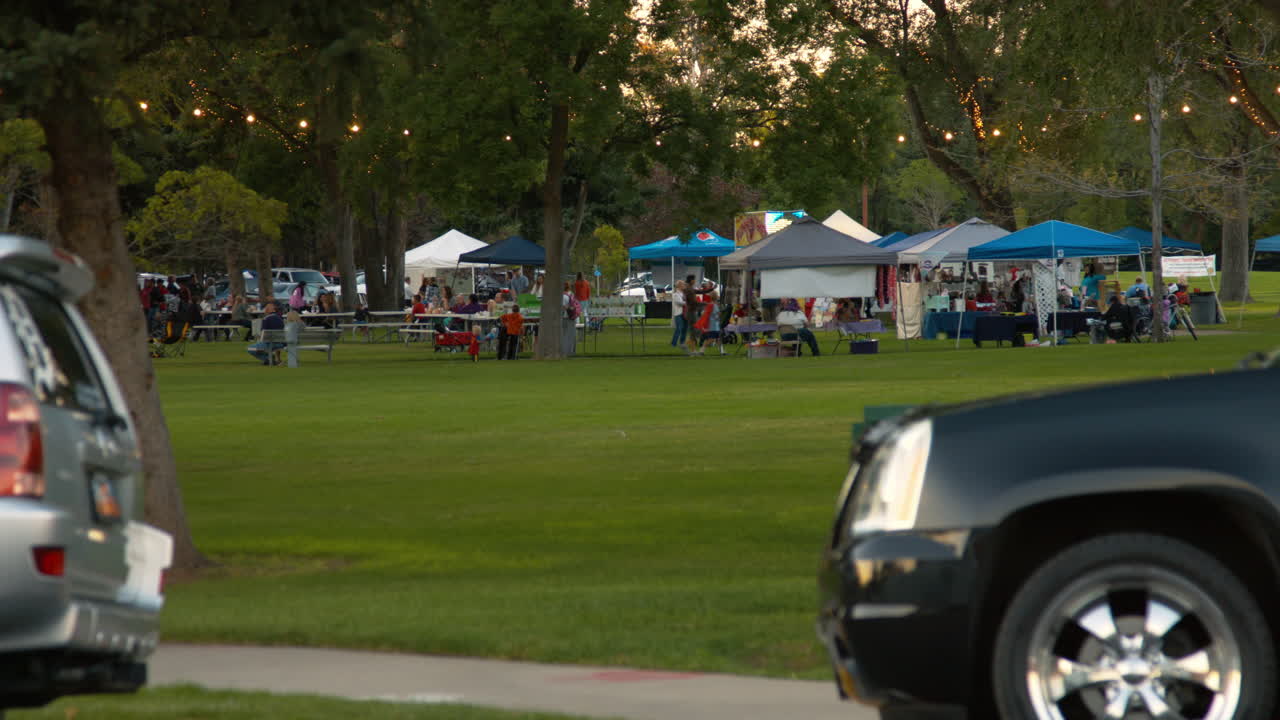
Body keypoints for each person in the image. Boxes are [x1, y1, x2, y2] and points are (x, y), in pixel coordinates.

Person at [694, 291, 725, 356]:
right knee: (711, 339)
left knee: (718, 338)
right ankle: (701, 351)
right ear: (715, 297)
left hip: (715, 325)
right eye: (717, 295)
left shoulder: (715, 304)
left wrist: (718, 315)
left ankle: (722, 352)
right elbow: (707, 314)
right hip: (712, 325)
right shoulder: (711, 305)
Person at [561, 282, 578, 356]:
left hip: (564, 316)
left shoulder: (562, 296)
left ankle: (565, 351)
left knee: (564, 334)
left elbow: (563, 307)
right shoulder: (571, 294)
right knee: (571, 334)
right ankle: (571, 351)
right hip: (571, 316)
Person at [670, 279, 688, 348]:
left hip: (685, 313)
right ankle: (673, 343)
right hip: (679, 313)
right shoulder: (675, 294)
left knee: (685, 328)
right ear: (680, 286)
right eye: (683, 285)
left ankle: (682, 342)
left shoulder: (683, 294)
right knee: (679, 328)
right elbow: (679, 303)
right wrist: (687, 303)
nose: (684, 286)